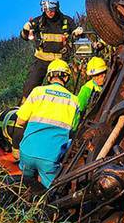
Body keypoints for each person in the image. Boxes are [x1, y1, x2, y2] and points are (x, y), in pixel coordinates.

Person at [12, 59, 80, 189]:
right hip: (50, 158)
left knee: (25, 186)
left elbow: (20, 121)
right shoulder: (74, 100)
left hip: (27, 152)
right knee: (51, 194)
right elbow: (74, 131)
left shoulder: (37, 92)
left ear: (49, 76)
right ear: (66, 77)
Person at [19, 0, 83, 101]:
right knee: (30, 87)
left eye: (51, 9)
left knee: (57, 90)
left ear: (57, 7)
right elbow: (24, 37)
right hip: (41, 60)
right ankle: (22, 110)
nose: (49, 12)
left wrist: (78, 32)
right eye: (46, 9)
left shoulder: (67, 21)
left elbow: (78, 36)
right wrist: (25, 30)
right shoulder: (38, 22)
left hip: (59, 62)